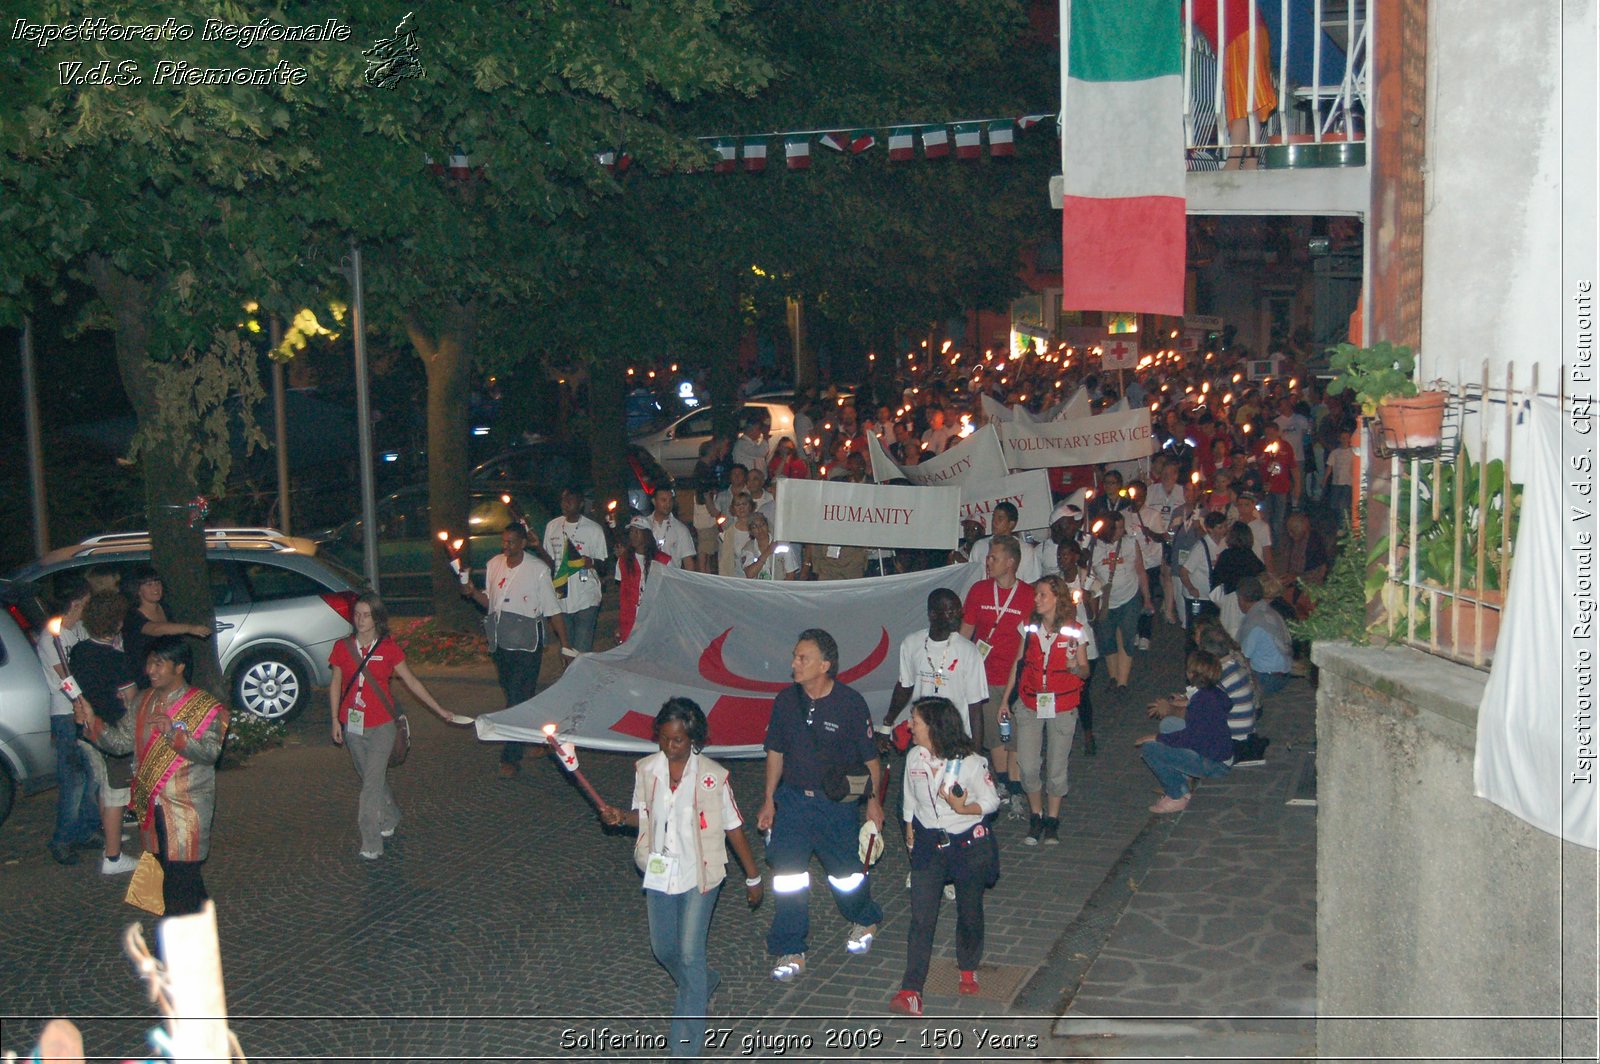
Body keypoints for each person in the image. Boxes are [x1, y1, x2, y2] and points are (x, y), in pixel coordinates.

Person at [598, 700, 764, 1058]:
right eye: (665, 739)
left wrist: (753, 876)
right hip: (660, 872)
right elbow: (644, 816)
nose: (670, 748)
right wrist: (619, 817)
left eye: (678, 741)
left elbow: (734, 827)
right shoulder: (646, 770)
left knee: (689, 955)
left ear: (693, 739)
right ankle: (704, 982)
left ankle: (684, 1048)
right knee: (665, 949)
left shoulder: (711, 776)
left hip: (700, 874)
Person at [757, 629, 885, 982]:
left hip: (835, 806)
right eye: (795, 656)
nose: (794, 664)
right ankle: (790, 945)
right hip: (793, 802)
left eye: (803, 658)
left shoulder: (850, 703)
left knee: (846, 875)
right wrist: (769, 799)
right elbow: (775, 752)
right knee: (788, 878)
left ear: (825, 665)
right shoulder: (785, 702)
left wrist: (874, 803)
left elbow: (870, 759)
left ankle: (864, 916)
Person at [78, 637, 228, 914]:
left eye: (159, 663)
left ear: (180, 666)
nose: (151, 670)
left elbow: (210, 754)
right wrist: (92, 721)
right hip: (151, 806)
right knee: (175, 875)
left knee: (179, 879)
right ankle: (199, 929)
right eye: (149, 663)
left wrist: (174, 735)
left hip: (187, 809)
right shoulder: (143, 701)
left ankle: (174, 948)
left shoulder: (205, 706)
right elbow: (121, 743)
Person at [889, 696, 1001, 1017]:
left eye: (916, 721)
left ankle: (967, 966)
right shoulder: (914, 758)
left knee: (969, 911)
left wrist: (965, 808)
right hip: (928, 844)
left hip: (967, 845)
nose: (909, 725)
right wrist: (909, 826)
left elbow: (992, 801)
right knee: (922, 917)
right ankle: (911, 989)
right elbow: (909, 797)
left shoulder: (970, 763)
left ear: (935, 727)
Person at [329, 593, 462, 860]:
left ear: (377, 618)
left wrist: (439, 710)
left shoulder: (388, 649)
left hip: (382, 725)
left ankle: (371, 841)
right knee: (370, 778)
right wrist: (334, 719)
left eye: (366, 615)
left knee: (370, 785)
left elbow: (411, 682)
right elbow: (335, 683)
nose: (360, 620)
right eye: (357, 614)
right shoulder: (343, 647)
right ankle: (390, 816)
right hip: (353, 724)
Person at [462, 524, 571, 778]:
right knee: (520, 694)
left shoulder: (538, 570)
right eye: (504, 541)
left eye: (512, 542)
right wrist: (472, 592)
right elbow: (491, 602)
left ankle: (510, 756)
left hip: (526, 643)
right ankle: (538, 739)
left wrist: (565, 645)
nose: (506, 546)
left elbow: (553, 610)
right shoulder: (494, 564)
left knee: (515, 698)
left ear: (523, 543)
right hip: (500, 641)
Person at [997, 575, 1090, 845]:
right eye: (1036, 595)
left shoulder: (1075, 630)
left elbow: (1085, 670)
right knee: (1027, 765)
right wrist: (1005, 700)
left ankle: (1052, 819)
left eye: (1042, 595)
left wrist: (1075, 667)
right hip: (1030, 701)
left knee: (1057, 767)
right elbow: (1019, 663)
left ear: (1057, 599)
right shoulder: (1028, 627)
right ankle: (1035, 814)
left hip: (1062, 704)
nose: (1036, 599)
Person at [959, 536, 1035, 812]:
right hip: (986, 676)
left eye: (994, 558)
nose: (988, 562)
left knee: (1014, 734)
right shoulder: (979, 591)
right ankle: (1003, 782)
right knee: (994, 735)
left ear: (1011, 562)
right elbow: (966, 632)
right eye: (988, 557)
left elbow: (1029, 641)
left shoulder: (1027, 596)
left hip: (1016, 676)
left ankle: (1016, 786)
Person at [70, 590, 141, 875]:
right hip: (110, 732)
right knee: (116, 795)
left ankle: (110, 841)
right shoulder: (114, 659)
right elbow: (131, 697)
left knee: (103, 788)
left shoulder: (79, 650)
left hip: (86, 729)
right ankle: (113, 857)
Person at [38, 576, 100, 865]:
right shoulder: (52, 637)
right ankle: (62, 839)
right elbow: (65, 677)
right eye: (86, 603)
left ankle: (85, 830)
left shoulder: (80, 630)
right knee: (74, 778)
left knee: (93, 775)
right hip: (66, 713)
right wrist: (80, 701)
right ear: (76, 604)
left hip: (87, 709)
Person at [880, 589, 988, 743]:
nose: (958, 616)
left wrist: (977, 756)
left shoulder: (968, 651)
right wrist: (887, 725)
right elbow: (904, 687)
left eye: (958, 611)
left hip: (956, 737)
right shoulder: (911, 644)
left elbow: (975, 707)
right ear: (933, 615)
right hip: (923, 736)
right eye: (950, 612)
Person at [1135, 650, 1234, 814]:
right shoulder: (1214, 693)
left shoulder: (1201, 702)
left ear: (1191, 674)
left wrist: (1157, 738)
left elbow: (1190, 739)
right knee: (1171, 724)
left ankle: (1177, 795)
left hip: (1214, 762)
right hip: (1221, 753)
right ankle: (1183, 777)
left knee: (1150, 749)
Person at [1088, 512, 1152, 690]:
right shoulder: (1094, 547)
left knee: (1127, 635)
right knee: (1107, 638)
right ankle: (1113, 676)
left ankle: (1123, 681)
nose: (1121, 531)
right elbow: (1088, 574)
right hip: (1106, 601)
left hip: (1129, 597)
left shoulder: (1131, 543)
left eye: (1123, 527)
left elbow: (1140, 571)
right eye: (1117, 527)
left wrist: (1147, 598)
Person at [121, 567, 212, 689]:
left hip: (169, 674)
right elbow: (155, 629)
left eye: (157, 583)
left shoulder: (164, 607)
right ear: (137, 590)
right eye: (149, 584)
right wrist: (190, 628)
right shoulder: (132, 615)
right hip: (146, 674)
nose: (156, 588)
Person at [544, 486, 610, 656]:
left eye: (570, 500)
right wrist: (537, 547)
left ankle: (581, 679)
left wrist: (591, 562)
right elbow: (550, 563)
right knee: (567, 649)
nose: (565, 504)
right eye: (563, 500)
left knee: (581, 651)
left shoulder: (593, 529)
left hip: (586, 597)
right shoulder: (552, 527)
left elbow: (604, 565)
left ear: (581, 504)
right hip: (561, 597)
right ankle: (570, 679)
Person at [616, 516, 671, 643]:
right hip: (631, 620)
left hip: (655, 619)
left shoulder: (663, 560)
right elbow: (623, 593)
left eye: (637, 532)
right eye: (631, 531)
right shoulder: (624, 561)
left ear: (647, 534)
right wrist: (621, 624)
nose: (633, 535)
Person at [1235, 576, 1293, 696]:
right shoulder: (1269, 612)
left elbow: (1243, 657)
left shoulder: (1255, 622)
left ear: (1241, 599)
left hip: (1267, 678)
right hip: (1283, 673)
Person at [647, 487, 699, 571]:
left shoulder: (680, 529)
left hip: (671, 580)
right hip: (648, 580)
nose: (668, 504)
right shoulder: (645, 525)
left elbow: (688, 562)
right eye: (663, 500)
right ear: (654, 501)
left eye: (670, 500)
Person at [739, 513, 799, 581]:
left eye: (762, 525)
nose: (760, 529)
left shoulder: (783, 544)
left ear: (767, 526)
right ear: (751, 531)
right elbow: (750, 574)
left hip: (779, 588)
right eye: (755, 527)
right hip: (757, 588)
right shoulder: (748, 548)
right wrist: (768, 551)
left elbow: (791, 575)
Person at [715, 492, 756, 578]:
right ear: (733, 509)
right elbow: (724, 561)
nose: (741, 508)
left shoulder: (760, 528)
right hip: (737, 579)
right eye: (737, 505)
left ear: (751, 506)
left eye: (744, 504)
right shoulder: (728, 534)